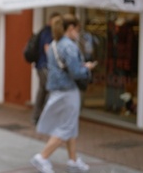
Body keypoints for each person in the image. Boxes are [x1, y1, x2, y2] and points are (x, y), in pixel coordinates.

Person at [30, 14, 97, 173]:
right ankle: (42, 157)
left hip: (57, 89)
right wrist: (87, 68)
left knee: (70, 125)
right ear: (71, 28)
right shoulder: (69, 46)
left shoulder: (55, 43)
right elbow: (76, 72)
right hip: (68, 91)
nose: (78, 34)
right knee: (66, 127)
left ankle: (73, 161)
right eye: (77, 30)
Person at [31, 12, 61, 125]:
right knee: (50, 90)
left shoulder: (43, 30)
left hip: (41, 65)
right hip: (45, 66)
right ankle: (46, 118)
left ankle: (37, 116)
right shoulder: (48, 32)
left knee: (42, 91)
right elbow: (48, 50)